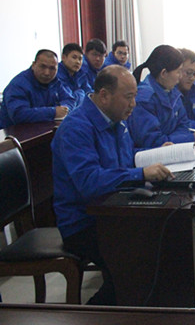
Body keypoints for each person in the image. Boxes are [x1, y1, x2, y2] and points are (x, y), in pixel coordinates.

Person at [51, 65, 173, 305]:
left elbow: (124, 159)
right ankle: (96, 317)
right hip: (83, 222)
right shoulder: (76, 128)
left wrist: (156, 154)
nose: (134, 104)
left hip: (114, 209)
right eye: (128, 97)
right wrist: (140, 174)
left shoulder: (116, 120)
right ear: (104, 96)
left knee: (166, 235)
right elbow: (90, 182)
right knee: (134, 265)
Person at [127, 45, 195, 148]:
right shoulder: (144, 99)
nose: (180, 76)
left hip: (173, 150)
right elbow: (153, 141)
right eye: (178, 72)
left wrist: (177, 138)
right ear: (164, 73)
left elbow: (184, 125)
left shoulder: (173, 93)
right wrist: (189, 138)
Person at [0, 49, 76, 128]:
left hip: (44, 129)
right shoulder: (18, 84)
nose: (47, 73)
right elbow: (18, 114)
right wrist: (53, 112)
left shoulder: (55, 81)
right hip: (13, 133)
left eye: (52, 68)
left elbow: (70, 99)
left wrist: (65, 108)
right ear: (33, 65)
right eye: (42, 67)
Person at [57, 43, 91, 107]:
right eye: (74, 57)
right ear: (63, 57)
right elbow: (68, 98)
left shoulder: (81, 73)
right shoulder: (57, 74)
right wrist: (80, 94)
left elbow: (89, 93)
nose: (77, 62)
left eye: (80, 59)